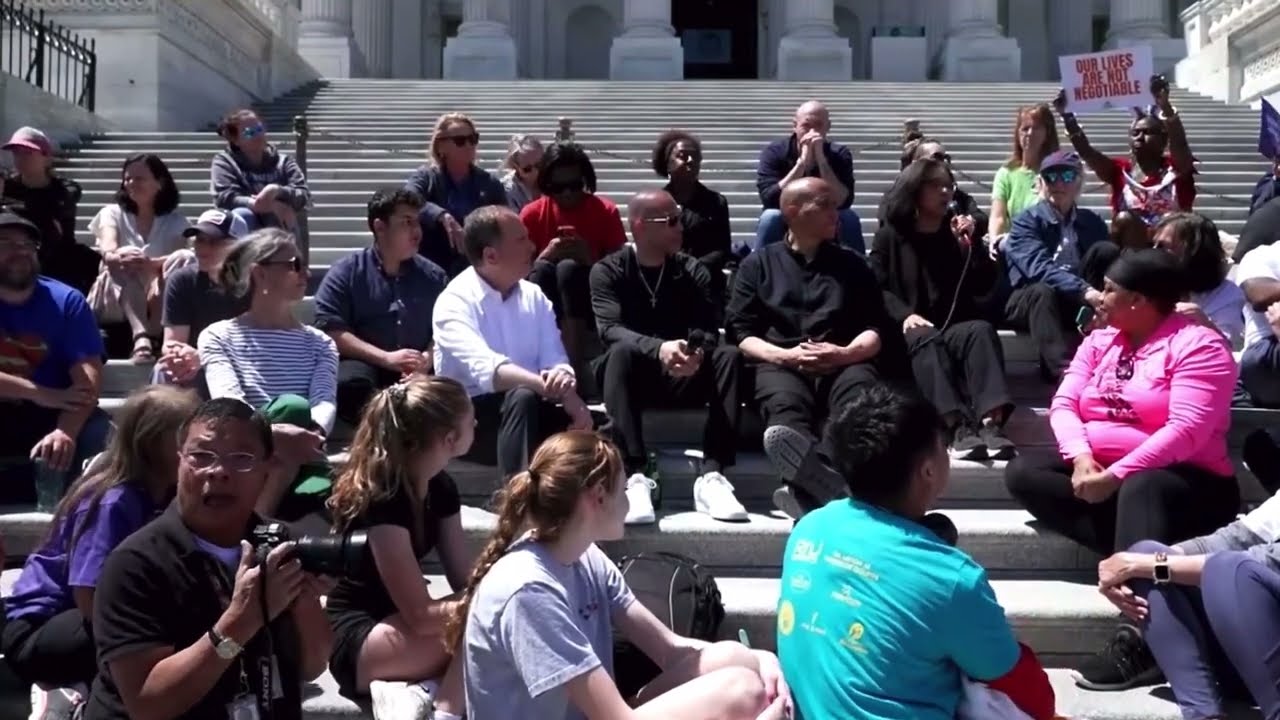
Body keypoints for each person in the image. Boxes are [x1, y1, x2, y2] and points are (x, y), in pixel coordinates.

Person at [1003, 250, 1241, 692]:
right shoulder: (1100, 339)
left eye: (1110, 290)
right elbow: (1065, 403)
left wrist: (1115, 475)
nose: (1099, 297)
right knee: (1023, 474)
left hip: (1188, 483)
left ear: (1140, 300)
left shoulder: (1198, 345)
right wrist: (1080, 458)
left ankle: (1145, 639)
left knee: (1142, 487)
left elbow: (1186, 431)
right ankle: (1131, 549)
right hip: (1107, 473)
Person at [448, 431, 791, 720]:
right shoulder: (528, 591)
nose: (629, 500)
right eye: (624, 488)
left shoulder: (585, 558)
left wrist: (762, 657)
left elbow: (671, 651)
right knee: (741, 692)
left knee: (734, 659)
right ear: (598, 497)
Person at [778, 384, 1055, 720]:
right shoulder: (951, 577)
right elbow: (1031, 696)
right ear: (928, 470)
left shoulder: (808, 527)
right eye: (944, 445)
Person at [81, 398, 332, 720]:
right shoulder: (136, 563)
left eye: (241, 459)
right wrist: (242, 622)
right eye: (201, 456)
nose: (219, 472)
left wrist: (304, 603)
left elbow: (312, 666)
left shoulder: (278, 544)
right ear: (179, 463)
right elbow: (148, 703)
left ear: (268, 469)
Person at [1, 385, 199, 719]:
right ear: (154, 443)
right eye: (186, 438)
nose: (195, 448)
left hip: (94, 619)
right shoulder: (113, 500)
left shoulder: (161, 496)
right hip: (40, 629)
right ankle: (65, 695)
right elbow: (86, 594)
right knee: (149, 637)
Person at [726, 177, 909, 520]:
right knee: (784, 404)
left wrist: (844, 354)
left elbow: (876, 328)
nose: (835, 212)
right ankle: (831, 484)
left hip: (844, 359)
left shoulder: (853, 264)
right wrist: (785, 356)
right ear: (793, 211)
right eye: (823, 204)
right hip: (780, 361)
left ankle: (808, 484)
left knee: (859, 394)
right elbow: (741, 332)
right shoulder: (757, 265)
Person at [590, 190, 748, 524]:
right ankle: (634, 474)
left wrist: (694, 354)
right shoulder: (608, 271)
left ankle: (713, 475)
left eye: (682, 219)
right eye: (671, 221)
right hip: (632, 378)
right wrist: (659, 349)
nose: (681, 228)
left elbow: (707, 325)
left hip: (685, 370)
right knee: (618, 354)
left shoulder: (691, 269)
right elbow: (610, 329)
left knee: (729, 357)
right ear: (639, 226)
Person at [325, 376, 475, 720]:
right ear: (449, 438)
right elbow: (421, 617)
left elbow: (465, 580)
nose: (478, 424)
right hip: (361, 636)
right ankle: (444, 711)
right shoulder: (384, 499)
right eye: (471, 420)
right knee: (488, 627)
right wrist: (501, 597)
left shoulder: (441, 487)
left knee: (502, 622)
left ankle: (428, 691)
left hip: (405, 627)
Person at [432, 205, 592, 483]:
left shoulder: (535, 295)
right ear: (491, 255)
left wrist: (566, 387)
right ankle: (514, 496)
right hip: (470, 423)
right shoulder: (454, 302)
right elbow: (489, 371)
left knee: (601, 426)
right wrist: (549, 387)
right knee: (522, 396)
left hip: (531, 409)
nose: (532, 246)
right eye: (520, 240)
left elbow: (555, 358)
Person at [872, 158, 1015, 460]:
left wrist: (971, 245)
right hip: (909, 337)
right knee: (924, 334)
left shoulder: (952, 236)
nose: (945, 192)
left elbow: (982, 287)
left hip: (949, 327)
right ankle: (956, 425)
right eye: (935, 185)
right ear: (914, 190)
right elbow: (875, 288)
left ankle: (991, 422)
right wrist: (904, 315)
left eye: (948, 186)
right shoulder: (890, 235)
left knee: (979, 330)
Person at [1092, 492, 1280, 716]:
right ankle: (1203, 714)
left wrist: (1148, 565)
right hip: (1250, 657)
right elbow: (1229, 540)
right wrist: (1127, 565)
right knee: (1146, 552)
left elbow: (1258, 563)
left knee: (1228, 571)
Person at [199, 229, 338, 524]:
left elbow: (324, 400)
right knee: (291, 406)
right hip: (246, 456)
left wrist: (309, 435)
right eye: (293, 264)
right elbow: (228, 402)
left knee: (298, 411)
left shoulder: (321, 343)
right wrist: (272, 437)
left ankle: (258, 519)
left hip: (305, 449)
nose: (305, 272)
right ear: (259, 275)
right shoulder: (218, 336)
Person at [0, 210, 110, 509]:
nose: (19, 251)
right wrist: (42, 394)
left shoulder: (66, 301)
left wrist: (65, 431)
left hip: (51, 416)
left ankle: (75, 519)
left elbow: (87, 383)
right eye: (7, 243)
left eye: (26, 245)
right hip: (24, 405)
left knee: (100, 432)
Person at [313, 188, 448, 425]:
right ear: (380, 226)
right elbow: (332, 330)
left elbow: (447, 327)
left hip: (419, 367)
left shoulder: (434, 276)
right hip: (370, 366)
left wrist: (427, 360)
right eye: (406, 222)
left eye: (417, 222)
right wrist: (386, 358)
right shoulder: (346, 272)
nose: (416, 231)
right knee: (350, 383)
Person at [1001, 150, 1117, 382]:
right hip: (1030, 298)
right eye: (1051, 177)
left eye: (1066, 176)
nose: (1058, 183)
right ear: (1041, 183)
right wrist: (1087, 292)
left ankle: (1108, 346)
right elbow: (1037, 269)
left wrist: (1101, 298)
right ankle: (1061, 372)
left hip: (1075, 298)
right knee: (1042, 290)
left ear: (1078, 182)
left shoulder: (1091, 221)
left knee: (1106, 251)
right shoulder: (1026, 221)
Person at [519, 142, 627, 369]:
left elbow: (621, 275)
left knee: (569, 269)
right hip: (544, 296)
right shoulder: (531, 214)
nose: (567, 193)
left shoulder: (605, 211)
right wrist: (545, 256)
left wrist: (590, 261)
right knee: (544, 270)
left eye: (575, 185)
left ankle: (572, 366)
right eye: (559, 187)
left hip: (592, 303)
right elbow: (516, 276)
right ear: (547, 184)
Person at [86, 153, 192, 362]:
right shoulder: (112, 213)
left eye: (140, 178)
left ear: (159, 183)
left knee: (183, 257)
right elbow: (109, 246)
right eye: (127, 179)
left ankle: (152, 334)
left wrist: (151, 264)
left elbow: (177, 260)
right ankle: (142, 336)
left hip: (157, 294)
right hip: (115, 296)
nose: (131, 184)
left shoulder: (177, 221)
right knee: (124, 255)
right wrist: (117, 256)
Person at [1055, 75, 1197, 228]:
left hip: (1171, 247)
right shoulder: (1119, 172)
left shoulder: (1177, 170)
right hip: (1130, 249)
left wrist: (1165, 107)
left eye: (1148, 132)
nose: (1140, 137)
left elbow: (1180, 144)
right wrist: (1068, 117)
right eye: (1135, 133)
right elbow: (1087, 153)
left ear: (1164, 140)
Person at [154, 209, 250, 391]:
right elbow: (172, 341)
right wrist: (179, 357)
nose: (203, 249)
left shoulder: (256, 283)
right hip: (193, 366)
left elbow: (259, 346)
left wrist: (205, 356)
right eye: (199, 240)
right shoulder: (182, 280)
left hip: (243, 367)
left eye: (214, 242)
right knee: (164, 370)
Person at [405, 113, 508, 277]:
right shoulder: (426, 177)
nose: (469, 145)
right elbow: (408, 198)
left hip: (476, 264)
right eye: (460, 141)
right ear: (441, 146)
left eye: (473, 139)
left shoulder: (489, 183)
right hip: (431, 262)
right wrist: (441, 215)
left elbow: (504, 219)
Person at [754, 100, 862, 253]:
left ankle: (860, 271)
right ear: (795, 126)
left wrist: (821, 160)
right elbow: (769, 198)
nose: (812, 132)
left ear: (828, 127)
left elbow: (844, 200)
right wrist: (801, 164)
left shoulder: (839, 154)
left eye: (818, 125)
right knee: (770, 217)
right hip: (789, 213)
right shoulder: (774, 152)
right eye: (806, 125)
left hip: (825, 212)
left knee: (848, 218)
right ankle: (760, 269)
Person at [0, 127, 97, 294]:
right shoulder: (6, 187)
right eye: (16, 153)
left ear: (46, 158)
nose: (20, 158)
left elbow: (56, 224)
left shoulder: (65, 190)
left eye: (27, 153)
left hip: (58, 260)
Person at [652, 130, 733, 303]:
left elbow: (722, 249)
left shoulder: (716, 202)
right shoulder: (655, 203)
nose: (691, 161)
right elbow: (650, 244)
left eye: (695, 157)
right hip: (664, 278)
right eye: (683, 156)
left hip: (704, 278)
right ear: (667, 164)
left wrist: (694, 266)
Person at [1150, 212, 1245, 345]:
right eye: (1153, 245)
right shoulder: (1145, 286)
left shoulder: (1228, 295)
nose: (1154, 252)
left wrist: (1204, 324)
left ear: (1194, 252)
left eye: (1163, 246)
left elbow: (1228, 348)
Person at [210, 108, 310, 232]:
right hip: (243, 232)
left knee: (283, 216)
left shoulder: (283, 161)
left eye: (259, 129)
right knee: (242, 214)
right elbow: (225, 198)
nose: (258, 135)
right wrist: (269, 205)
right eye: (250, 132)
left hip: (281, 226)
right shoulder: (225, 162)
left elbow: (302, 193)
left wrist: (277, 190)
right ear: (235, 140)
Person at [887, 129, 988, 241]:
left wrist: (970, 222)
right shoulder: (897, 198)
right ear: (917, 162)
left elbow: (981, 219)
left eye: (947, 158)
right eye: (937, 157)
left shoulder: (957, 195)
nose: (944, 162)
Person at [989, 104, 1060, 240]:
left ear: (1047, 133)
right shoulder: (1006, 173)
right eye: (1025, 129)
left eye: (1036, 128)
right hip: (1014, 245)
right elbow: (998, 217)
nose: (1030, 133)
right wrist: (995, 240)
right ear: (1017, 133)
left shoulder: (1056, 172)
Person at [500, 134, 544, 212]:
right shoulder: (507, 190)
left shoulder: (553, 180)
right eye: (527, 168)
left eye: (539, 165)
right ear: (515, 166)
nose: (535, 171)